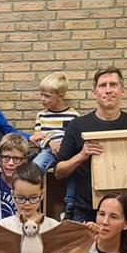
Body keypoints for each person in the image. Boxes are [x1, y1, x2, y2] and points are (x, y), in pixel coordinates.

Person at [54, 67, 127, 222]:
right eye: (102, 85)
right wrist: (81, 156)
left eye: (113, 85)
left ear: (122, 91)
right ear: (94, 93)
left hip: (125, 213)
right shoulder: (77, 126)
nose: (108, 90)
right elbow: (59, 172)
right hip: (86, 211)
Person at [29, 72, 80, 218]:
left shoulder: (73, 115)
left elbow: (75, 137)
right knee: (35, 166)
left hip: (67, 151)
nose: (42, 99)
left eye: (46, 96)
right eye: (41, 95)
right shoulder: (41, 115)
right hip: (48, 150)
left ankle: (70, 207)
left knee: (75, 170)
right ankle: (34, 201)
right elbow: (38, 137)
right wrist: (50, 142)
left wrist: (64, 146)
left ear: (60, 97)